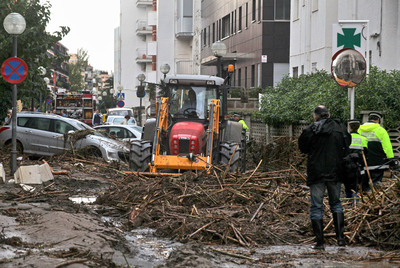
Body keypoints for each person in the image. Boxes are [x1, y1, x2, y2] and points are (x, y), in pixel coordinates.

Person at [298, 105, 351, 249]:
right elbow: (348, 145)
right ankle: (341, 240)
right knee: (336, 204)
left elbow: (302, 147)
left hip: (316, 173)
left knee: (316, 206)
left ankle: (320, 243)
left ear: (316, 116)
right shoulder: (340, 128)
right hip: (336, 172)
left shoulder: (310, 129)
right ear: (328, 114)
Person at [358, 112, 394, 190]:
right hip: (378, 163)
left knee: (364, 184)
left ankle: (364, 198)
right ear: (378, 120)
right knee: (375, 186)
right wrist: (390, 159)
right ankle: (373, 199)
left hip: (363, 163)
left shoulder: (359, 130)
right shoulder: (381, 130)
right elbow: (387, 147)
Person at [343, 119, 368, 202]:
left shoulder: (345, 138)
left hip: (346, 167)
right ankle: (356, 204)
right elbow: (365, 153)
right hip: (358, 167)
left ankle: (348, 202)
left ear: (349, 127)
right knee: (357, 186)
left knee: (347, 186)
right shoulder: (363, 139)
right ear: (358, 127)